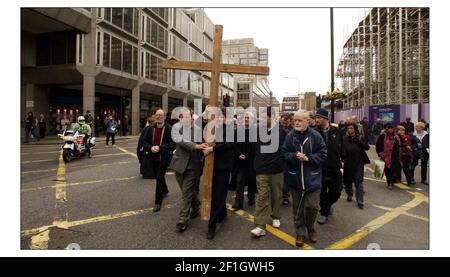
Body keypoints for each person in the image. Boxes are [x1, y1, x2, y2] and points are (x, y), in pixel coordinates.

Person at [282, 109, 327, 247]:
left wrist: (309, 158)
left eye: (299, 120)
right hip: (295, 180)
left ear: (308, 121)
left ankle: (311, 228)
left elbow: (323, 154)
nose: (296, 122)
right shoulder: (290, 136)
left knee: (312, 207)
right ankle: (300, 233)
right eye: (295, 120)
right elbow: (284, 153)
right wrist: (294, 156)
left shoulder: (316, 136)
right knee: (298, 209)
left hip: (312, 179)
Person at [169, 108, 209, 233]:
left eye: (187, 117)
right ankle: (196, 205)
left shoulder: (198, 130)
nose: (184, 119)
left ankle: (182, 220)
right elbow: (181, 141)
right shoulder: (176, 129)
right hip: (179, 165)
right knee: (187, 191)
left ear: (191, 118)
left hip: (193, 166)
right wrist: (196, 146)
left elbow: (204, 144)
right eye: (182, 117)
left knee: (186, 193)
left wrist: (205, 146)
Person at [250, 108, 287, 237]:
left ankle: (276, 216)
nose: (262, 120)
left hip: (276, 170)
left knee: (277, 195)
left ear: (272, 118)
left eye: (265, 117)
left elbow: (283, 151)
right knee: (262, 197)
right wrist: (257, 164)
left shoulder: (282, 132)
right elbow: (254, 149)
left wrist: (274, 163)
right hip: (261, 170)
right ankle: (260, 225)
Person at [203, 111, 235, 240]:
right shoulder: (210, 128)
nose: (219, 119)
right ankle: (222, 213)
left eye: (221, 116)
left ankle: (212, 226)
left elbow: (228, 144)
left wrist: (212, 149)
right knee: (213, 193)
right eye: (217, 117)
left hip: (223, 167)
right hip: (211, 166)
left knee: (218, 195)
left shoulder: (229, 129)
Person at [141, 109, 175, 212]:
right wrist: (150, 147)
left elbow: (172, 144)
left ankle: (158, 202)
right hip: (153, 157)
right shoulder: (149, 129)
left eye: (161, 115)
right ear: (154, 117)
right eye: (157, 115)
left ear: (164, 117)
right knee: (158, 176)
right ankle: (165, 190)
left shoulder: (169, 129)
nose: (159, 117)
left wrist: (160, 148)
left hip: (164, 157)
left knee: (160, 176)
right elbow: (144, 141)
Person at [314, 108, 344, 225]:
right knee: (321, 193)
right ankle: (324, 212)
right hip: (320, 168)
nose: (316, 120)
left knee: (337, 191)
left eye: (319, 117)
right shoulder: (314, 133)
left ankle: (327, 205)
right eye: (316, 117)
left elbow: (341, 148)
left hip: (335, 167)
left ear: (326, 119)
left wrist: (343, 160)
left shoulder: (336, 131)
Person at [232, 112, 257, 210]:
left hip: (252, 161)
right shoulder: (238, 131)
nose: (246, 120)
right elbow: (234, 145)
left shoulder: (256, 131)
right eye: (245, 118)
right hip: (240, 162)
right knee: (239, 182)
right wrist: (238, 154)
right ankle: (238, 202)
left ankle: (251, 198)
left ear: (252, 120)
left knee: (251, 181)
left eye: (248, 118)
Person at [343, 123, 370, 209]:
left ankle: (360, 200)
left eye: (351, 128)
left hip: (358, 163)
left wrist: (360, 142)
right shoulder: (344, 139)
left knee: (359, 183)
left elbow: (367, 147)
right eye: (348, 128)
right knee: (347, 182)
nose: (349, 130)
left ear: (355, 129)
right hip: (347, 163)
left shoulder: (360, 138)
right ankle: (349, 194)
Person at [376, 122, 397, 190]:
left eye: (392, 128)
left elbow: (399, 145)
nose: (390, 129)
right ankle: (389, 183)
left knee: (393, 169)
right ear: (385, 129)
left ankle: (392, 180)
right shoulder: (382, 136)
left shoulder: (395, 136)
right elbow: (378, 146)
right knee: (388, 170)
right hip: (385, 156)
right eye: (389, 128)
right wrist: (380, 154)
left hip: (394, 156)